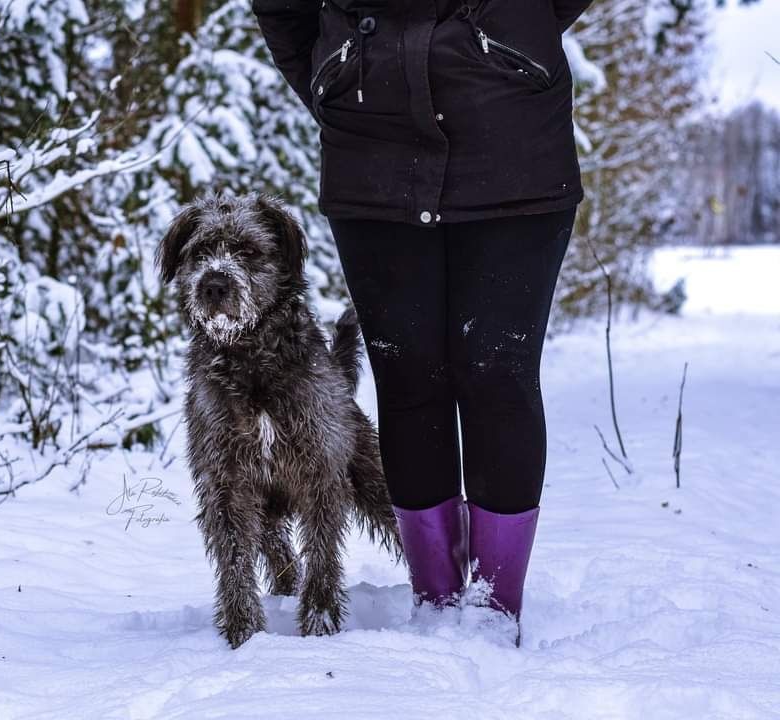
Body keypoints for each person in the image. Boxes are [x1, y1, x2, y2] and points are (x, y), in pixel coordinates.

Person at [252, 0, 595, 643]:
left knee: (497, 375)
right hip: (370, 149)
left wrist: (507, 31)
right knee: (408, 379)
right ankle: (436, 597)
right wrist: (338, 74)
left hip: (513, 143)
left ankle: (495, 604)